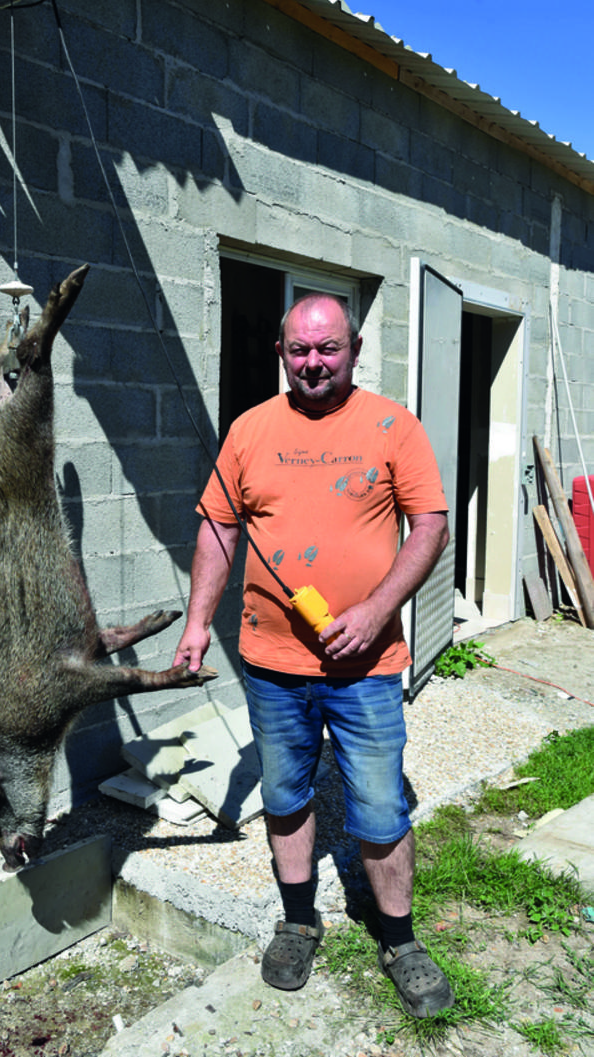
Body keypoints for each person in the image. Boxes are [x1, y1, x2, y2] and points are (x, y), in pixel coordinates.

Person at [172, 291, 454, 1018]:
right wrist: (197, 623)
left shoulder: (393, 424)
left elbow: (428, 525)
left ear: (354, 350)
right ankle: (298, 919)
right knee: (286, 794)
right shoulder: (249, 430)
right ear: (280, 355)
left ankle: (399, 939)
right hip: (269, 663)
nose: (313, 362)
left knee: (379, 805)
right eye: (299, 349)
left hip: (364, 668)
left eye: (328, 348)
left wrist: (375, 609)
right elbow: (218, 531)